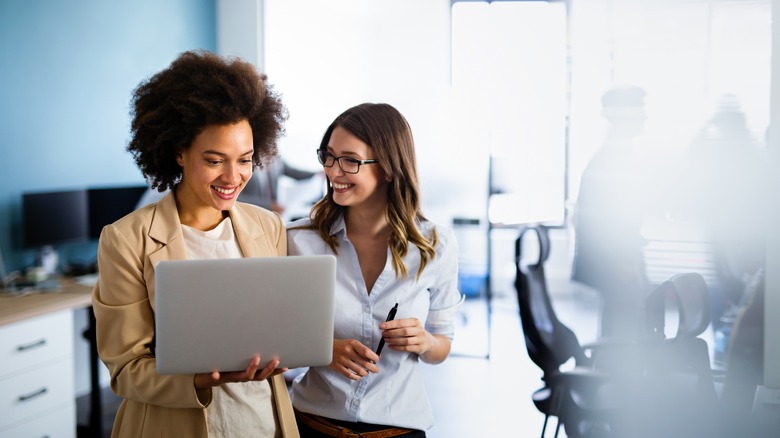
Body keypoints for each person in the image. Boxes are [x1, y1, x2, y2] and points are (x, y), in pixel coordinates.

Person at [91, 50, 298, 437]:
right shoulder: (125, 239)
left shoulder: (268, 226)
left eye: (245, 160)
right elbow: (126, 369)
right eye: (215, 160)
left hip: (260, 423)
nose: (232, 177)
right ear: (180, 153)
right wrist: (200, 380)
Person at [286, 103, 464, 437]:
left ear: (389, 169)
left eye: (350, 160)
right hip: (312, 426)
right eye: (329, 156)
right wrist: (323, 349)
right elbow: (272, 334)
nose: (333, 171)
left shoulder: (435, 245)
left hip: (399, 429)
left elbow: (443, 343)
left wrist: (425, 341)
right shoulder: (298, 240)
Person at [571, 85, 651, 339]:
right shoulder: (614, 158)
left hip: (620, 257)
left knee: (621, 326)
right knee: (622, 330)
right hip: (618, 261)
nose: (645, 116)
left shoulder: (617, 154)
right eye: (640, 110)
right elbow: (606, 220)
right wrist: (622, 261)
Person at [239, 156, 321, 214]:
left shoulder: (274, 156)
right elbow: (238, 198)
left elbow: (293, 172)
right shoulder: (244, 160)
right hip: (250, 214)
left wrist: (316, 174)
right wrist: (268, 205)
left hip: (272, 215)